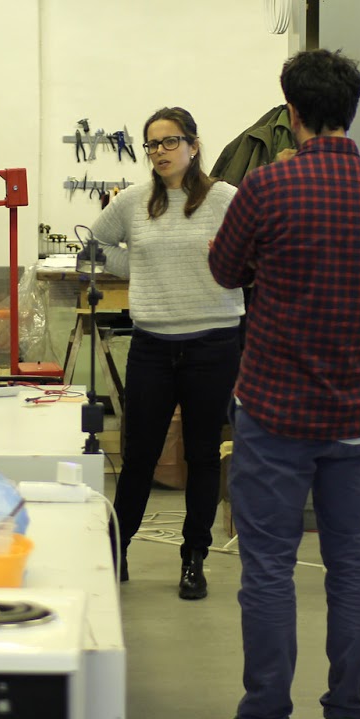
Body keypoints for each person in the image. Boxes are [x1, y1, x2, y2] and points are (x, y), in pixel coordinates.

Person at [190, 49, 360, 719]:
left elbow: (225, 270)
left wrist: (266, 264)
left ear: (291, 113)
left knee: (268, 569)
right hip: (357, 413)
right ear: (350, 111)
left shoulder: (267, 187)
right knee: (353, 564)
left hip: (276, 410)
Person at [88, 106, 243, 598]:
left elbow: (254, 253)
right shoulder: (134, 202)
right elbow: (94, 244)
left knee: (202, 455)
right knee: (139, 457)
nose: (160, 151)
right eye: (152, 144)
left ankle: (194, 559)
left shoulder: (225, 199)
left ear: (194, 146)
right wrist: (139, 267)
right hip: (152, 346)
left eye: (170, 141)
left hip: (213, 343)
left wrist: (229, 261)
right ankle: (116, 551)